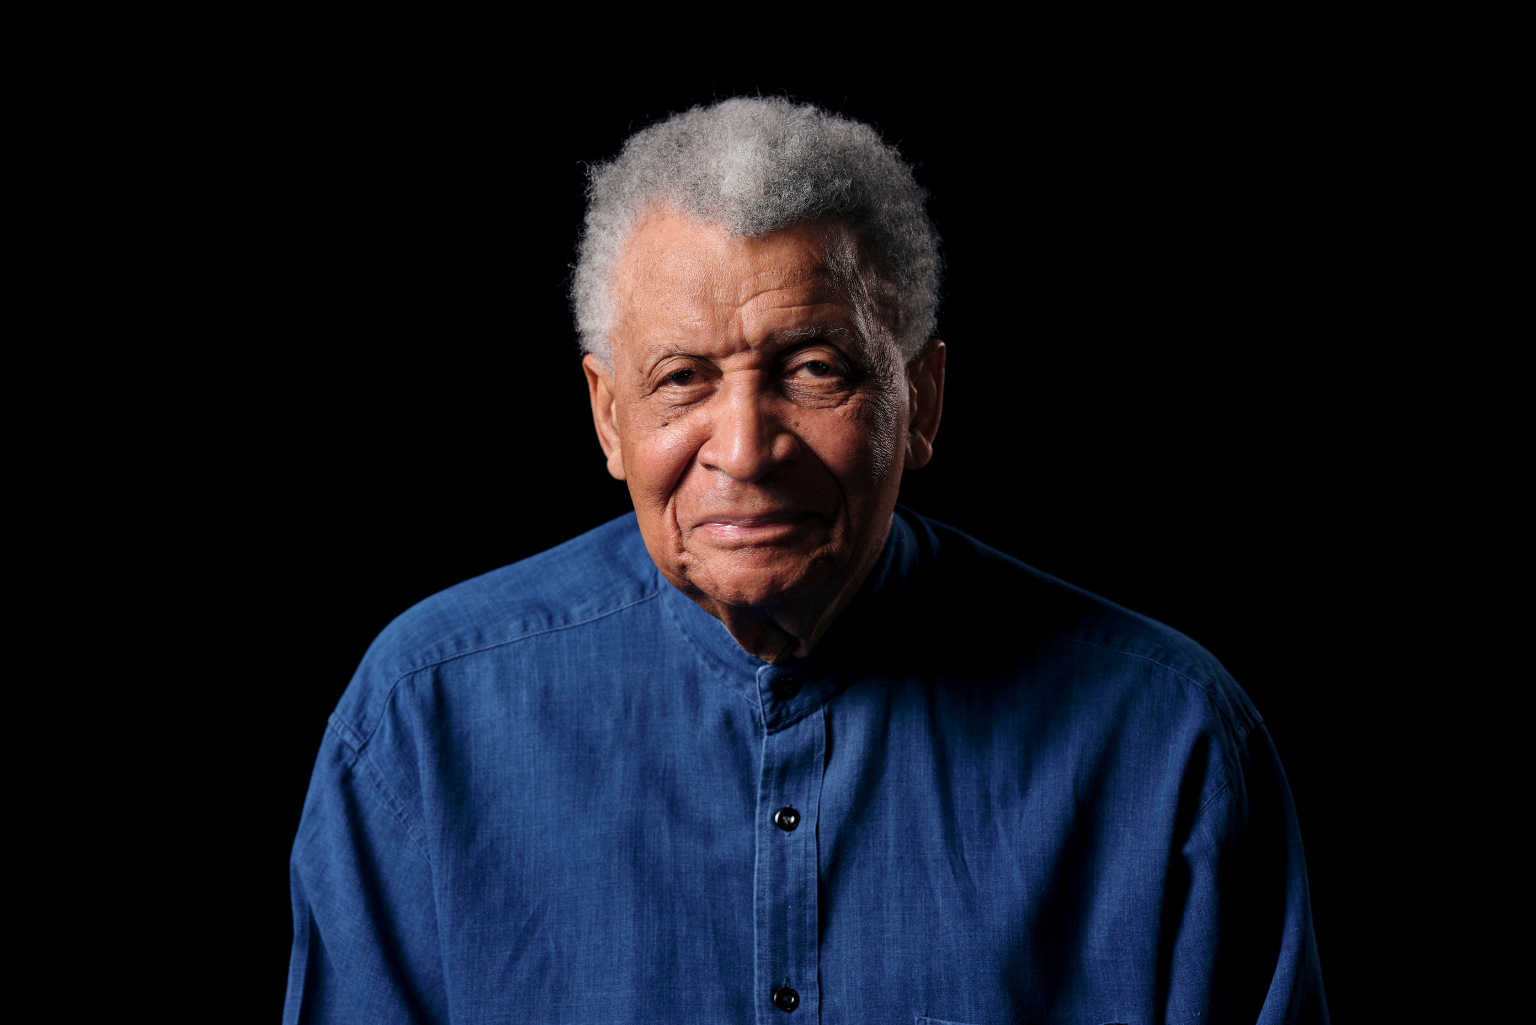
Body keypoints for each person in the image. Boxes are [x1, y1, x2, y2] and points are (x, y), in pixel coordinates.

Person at [285, 97, 1328, 1024]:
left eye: (816, 369)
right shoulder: (421, 721)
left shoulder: (1170, 741)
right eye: (683, 378)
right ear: (608, 417)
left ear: (921, 402)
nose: (745, 448)